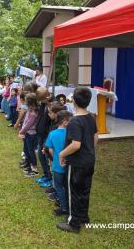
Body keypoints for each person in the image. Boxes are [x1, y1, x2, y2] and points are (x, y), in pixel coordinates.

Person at [57, 87, 98, 233]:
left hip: (77, 163)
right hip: (89, 161)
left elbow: (75, 144)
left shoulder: (74, 121)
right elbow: (95, 138)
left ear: (74, 101)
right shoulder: (91, 118)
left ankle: (73, 223)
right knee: (85, 190)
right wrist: (90, 152)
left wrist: (62, 154)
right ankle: (83, 217)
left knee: (74, 192)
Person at [45, 110, 73, 216]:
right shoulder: (71, 133)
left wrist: (55, 159)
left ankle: (64, 207)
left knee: (59, 186)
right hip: (69, 165)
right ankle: (67, 204)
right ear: (64, 121)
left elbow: (50, 149)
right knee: (67, 186)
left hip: (57, 165)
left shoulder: (52, 134)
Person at [19, 93, 39, 177]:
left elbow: (28, 125)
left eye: (26, 101)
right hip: (27, 133)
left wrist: (21, 131)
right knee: (27, 150)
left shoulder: (33, 113)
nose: (24, 102)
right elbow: (25, 122)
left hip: (31, 134)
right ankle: (29, 167)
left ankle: (34, 170)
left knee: (31, 152)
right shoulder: (30, 110)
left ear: (29, 102)